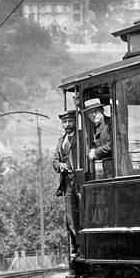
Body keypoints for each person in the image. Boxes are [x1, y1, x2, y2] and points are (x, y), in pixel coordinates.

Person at [52, 109, 79, 256]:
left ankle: (82, 245)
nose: (67, 125)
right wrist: (60, 166)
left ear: (75, 121)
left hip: (80, 180)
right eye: (64, 122)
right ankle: (76, 246)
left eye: (70, 121)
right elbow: (55, 161)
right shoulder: (61, 142)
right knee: (70, 216)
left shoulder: (82, 137)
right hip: (68, 183)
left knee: (82, 213)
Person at [82, 97, 113, 177]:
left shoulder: (110, 123)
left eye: (96, 111)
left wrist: (95, 153)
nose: (93, 114)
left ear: (102, 110)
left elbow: (111, 145)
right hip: (104, 167)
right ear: (88, 116)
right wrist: (93, 148)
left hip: (115, 167)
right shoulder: (93, 127)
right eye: (90, 113)